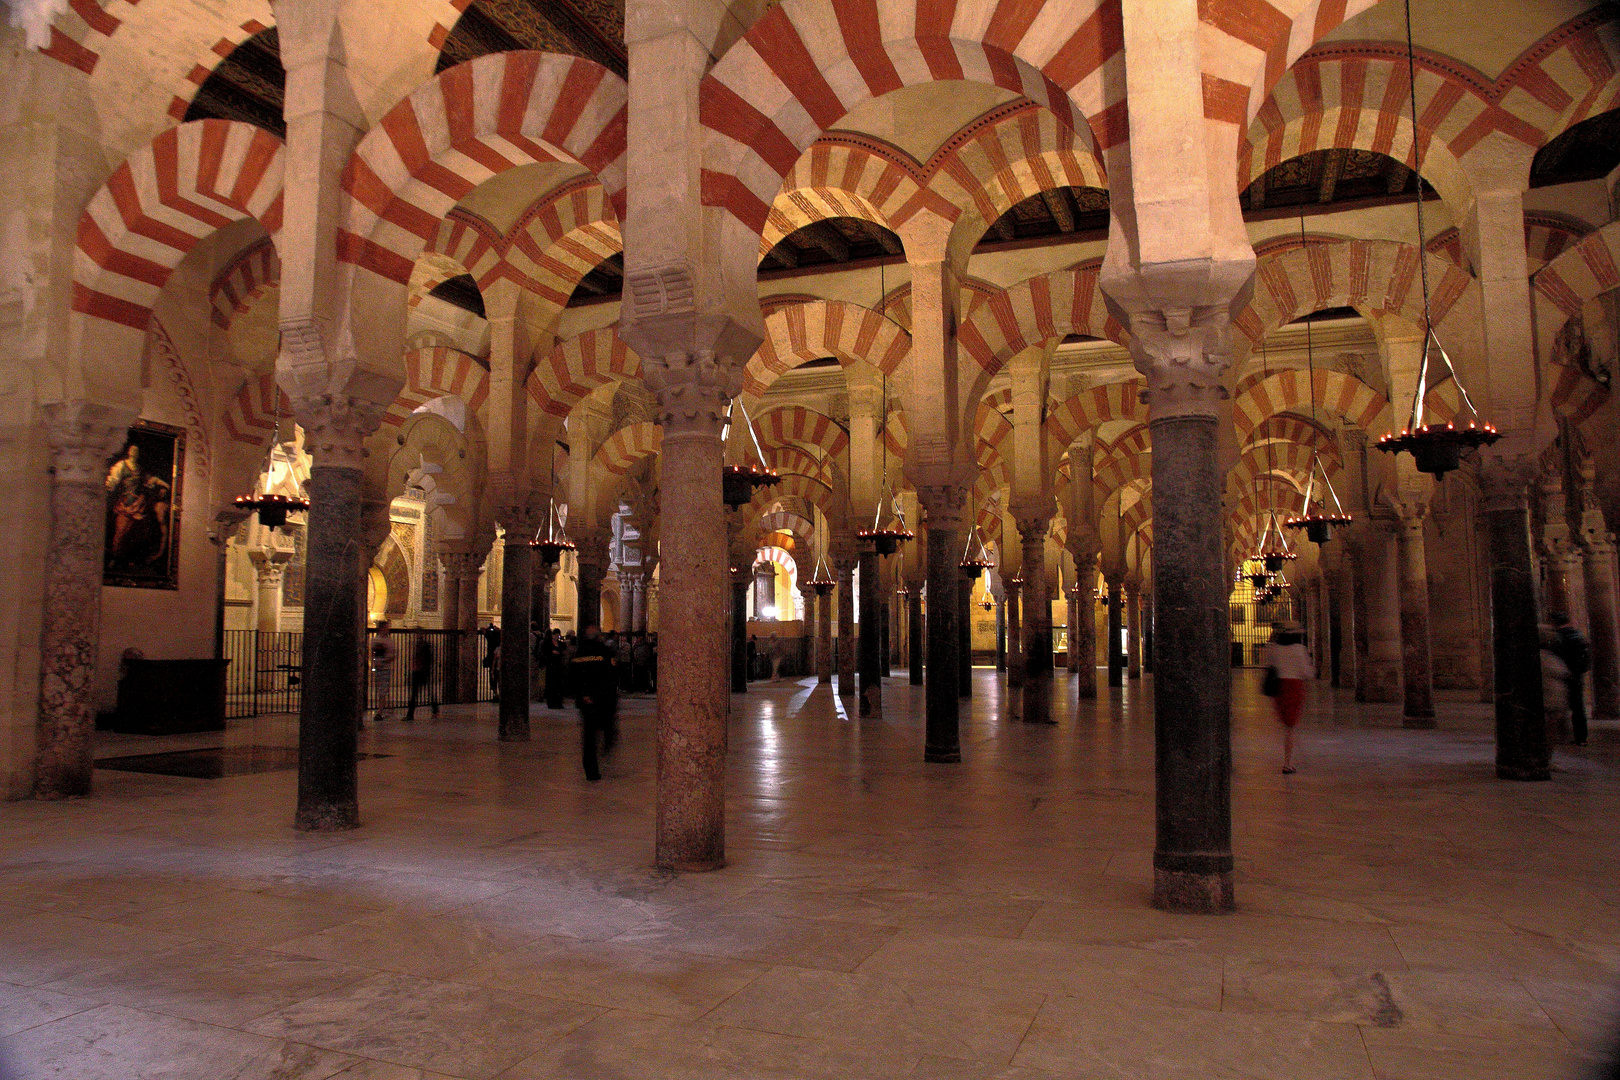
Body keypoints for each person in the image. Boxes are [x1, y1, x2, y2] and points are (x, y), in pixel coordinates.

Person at [570, 624, 618, 782]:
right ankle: (606, 748)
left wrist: (583, 695)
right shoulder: (605, 652)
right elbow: (610, 677)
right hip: (602, 700)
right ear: (599, 636)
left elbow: (572, 678)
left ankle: (591, 770)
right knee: (607, 729)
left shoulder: (578, 653)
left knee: (589, 737)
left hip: (586, 702)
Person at [1264, 623, 1312, 774]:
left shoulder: (1275, 648)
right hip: (1294, 686)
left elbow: (1268, 665)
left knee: (1287, 724)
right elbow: (1307, 672)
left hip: (1280, 686)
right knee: (1290, 727)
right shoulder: (1299, 649)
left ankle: (1288, 758)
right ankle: (1287, 763)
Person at [1550, 612, 1592, 746]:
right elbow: (1586, 657)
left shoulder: (1558, 637)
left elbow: (1557, 657)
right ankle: (1581, 737)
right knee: (1578, 707)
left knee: (1559, 706)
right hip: (1577, 676)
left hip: (1562, 676)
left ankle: (1560, 735)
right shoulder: (1578, 636)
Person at [369, 621, 397, 724]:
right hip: (379, 668)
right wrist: (374, 666)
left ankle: (380, 712)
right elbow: (373, 654)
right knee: (382, 689)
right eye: (386, 627)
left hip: (385, 668)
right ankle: (387, 707)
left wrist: (385, 661)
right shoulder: (376, 640)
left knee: (383, 690)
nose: (388, 629)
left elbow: (393, 655)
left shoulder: (388, 641)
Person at [404, 635, 437, 721]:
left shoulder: (424, 646)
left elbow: (427, 659)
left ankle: (410, 714)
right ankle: (434, 709)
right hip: (420, 671)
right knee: (425, 692)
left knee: (417, 693)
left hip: (421, 671)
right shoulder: (421, 646)